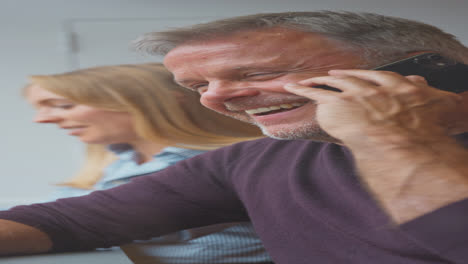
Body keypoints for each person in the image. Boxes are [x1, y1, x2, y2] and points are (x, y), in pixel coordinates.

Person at [0, 11, 467, 264]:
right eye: (198, 87)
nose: (218, 100)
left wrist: (388, 134)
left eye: (260, 73)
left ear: (425, 69)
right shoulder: (250, 162)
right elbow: (71, 222)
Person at [22, 63, 272, 264]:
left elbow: (80, 224)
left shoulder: (228, 167)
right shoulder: (121, 162)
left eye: (64, 106)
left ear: (155, 102)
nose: (42, 120)